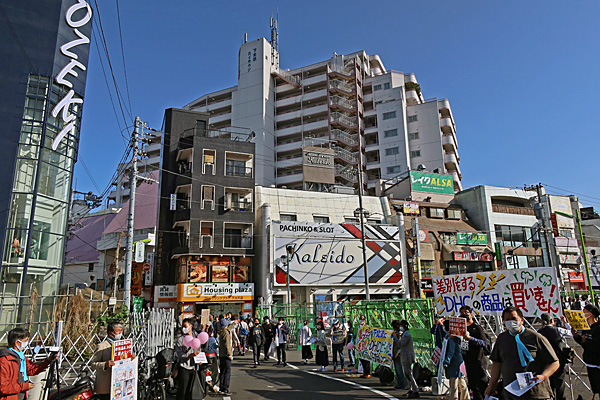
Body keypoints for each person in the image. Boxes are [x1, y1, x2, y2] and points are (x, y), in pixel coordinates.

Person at [485, 306, 559, 400]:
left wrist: (543, 376)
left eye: (514, 319)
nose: (511, 322)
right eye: (507, 320)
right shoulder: (502, 339)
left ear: (522, 320)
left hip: (535, 392)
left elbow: (554, 362)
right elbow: (497, 364)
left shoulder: (535, 337)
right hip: (511, 392)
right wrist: (491, 386)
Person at [0, 328, 54, 400]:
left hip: (21, 396)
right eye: (26, 340)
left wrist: (47, 361)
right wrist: (23, 386)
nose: (27, 343)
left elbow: (31, 369)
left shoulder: (20, 356)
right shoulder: (4, 360)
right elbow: (3, 387)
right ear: (17, 342)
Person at [458, 305, 490, 400]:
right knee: (473, 386)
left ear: (471, 315)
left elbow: (484, 343)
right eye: (462, 313)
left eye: (466, 312)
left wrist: (470, 339)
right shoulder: (461, 329)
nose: (464, 314)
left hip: (479, 361)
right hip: (468, 361)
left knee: (481, 385)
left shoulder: (477, 328)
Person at [90, 322, 127, 400]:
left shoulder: (123, 346)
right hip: (106, 385)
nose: (120, 333)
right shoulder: (102, 346)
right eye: (117, 331)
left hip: (119, 384)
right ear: (110, 333)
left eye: (121, 330)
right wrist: (105, 364)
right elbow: (93, 364)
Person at [537, 313, 567, 400]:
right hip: (559, 359)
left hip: (545, 360)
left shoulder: (539, 332)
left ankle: (551, 397)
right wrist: (565, 323)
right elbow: (572, 333)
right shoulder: (558, 330)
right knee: (560, 383)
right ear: (551, 320)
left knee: (549, 382)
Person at [573, 304, 600, 395]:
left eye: (584, 312)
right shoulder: (586, 327)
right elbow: (583, 343)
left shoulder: (598, 328)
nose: (582, 314)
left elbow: (595, 346)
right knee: (595, 389)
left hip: (597, 363)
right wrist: (576, 336)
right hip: (590, 362)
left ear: (590, 314)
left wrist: (585, 342)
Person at [443, 320, 469, 400]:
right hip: (460, 361)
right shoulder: (456, 336)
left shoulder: (450, 338)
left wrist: (446, 362)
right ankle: (466, 398)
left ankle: (454, 398)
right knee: (461, 381)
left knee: (453, 383)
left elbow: (451, 352)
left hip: (453, 363)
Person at [175, 318, 199, 400]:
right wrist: (190, 354)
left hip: (193, 367)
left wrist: (200, 359)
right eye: (182, 326)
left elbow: (199, 351)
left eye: (185, 326)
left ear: (191, 326)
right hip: (184, 367)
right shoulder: (180, 340)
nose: (183, 328)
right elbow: (180, 355)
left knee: (191, 391)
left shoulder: (196, 338)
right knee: (183, 391)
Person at [399, 320, 419, 398]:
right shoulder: (405, 334)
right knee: (407, 373)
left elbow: (401, 343)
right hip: (405, 355)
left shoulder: (407, 335)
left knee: (409, 373)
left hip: (407, 356)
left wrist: (398, 337)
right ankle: (411, 389)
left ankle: (415, 390)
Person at [218, 318, 235, 395]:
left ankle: (221, 387)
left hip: (221, 355)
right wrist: (229, 354)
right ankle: (226, 388)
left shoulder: (221, 331)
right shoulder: (226, 333)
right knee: (227, 371)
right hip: (226, 355)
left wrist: (234, 323)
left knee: (222, 371)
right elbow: (227, 344)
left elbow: (229, 328)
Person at [391, 320, 407, 390]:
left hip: (398, 354)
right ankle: (399, 384)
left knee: (399, 370)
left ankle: (401, 384)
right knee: (398, 370)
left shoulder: (399, 334)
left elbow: (399, 344)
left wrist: (395, 337)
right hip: (397, 354)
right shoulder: (398, 333)